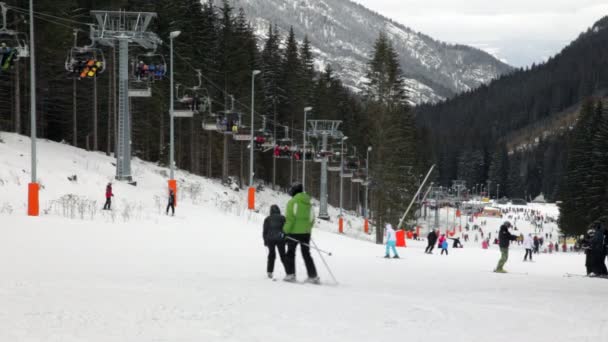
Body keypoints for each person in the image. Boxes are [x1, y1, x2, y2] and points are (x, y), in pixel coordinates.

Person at [283, 183, 319, 284]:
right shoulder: (308, 203)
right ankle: (313, 276)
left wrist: (285, 231)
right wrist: (307, 229)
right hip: (306, 233)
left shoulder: (292, 202)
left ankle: (290, 274)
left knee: (290, 253)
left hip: (293, 233)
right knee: (306, 253)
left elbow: (290, 219)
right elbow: (312, 219)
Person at [263, 205, 287, 279]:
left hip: (270, 239)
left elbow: (265, 231)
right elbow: (286, 229)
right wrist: (286, 239)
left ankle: (270, 272)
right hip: (281, 239)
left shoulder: (267, 219)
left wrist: (265, 241)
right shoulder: (283, 218)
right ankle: (289, 272)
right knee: (283, 256)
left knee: (271, 255)